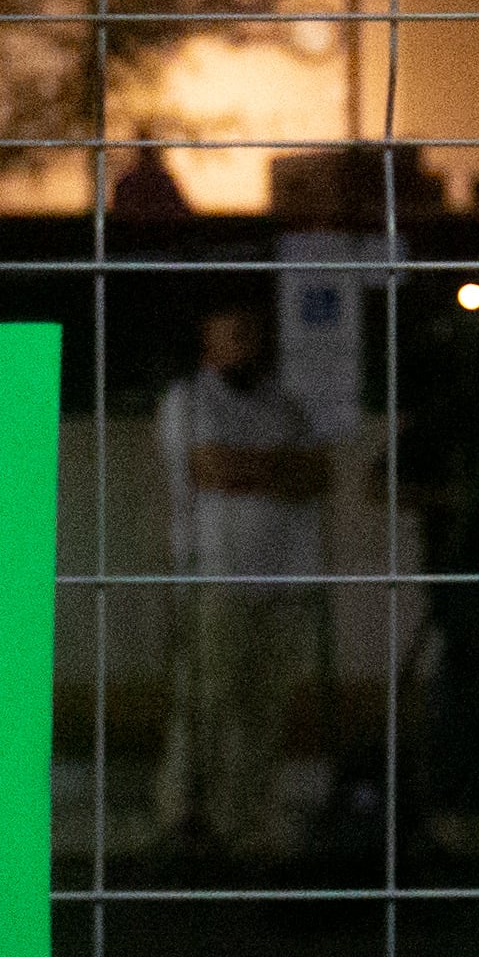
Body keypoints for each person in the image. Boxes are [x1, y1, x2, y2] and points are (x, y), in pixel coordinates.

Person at [153, 298, 330, 860]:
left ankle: (244, 818)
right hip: (216, 576)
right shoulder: (190, 400)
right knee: (208, 700)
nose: (244, 345)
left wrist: (252, 466)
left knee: (265, 708)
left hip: (285, 579)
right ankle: (185, 813)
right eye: (231, 334)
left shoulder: (286, 405)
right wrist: (275, 467)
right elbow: (211, 469)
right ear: (208, 341)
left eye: (251, 333)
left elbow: (316, 474)